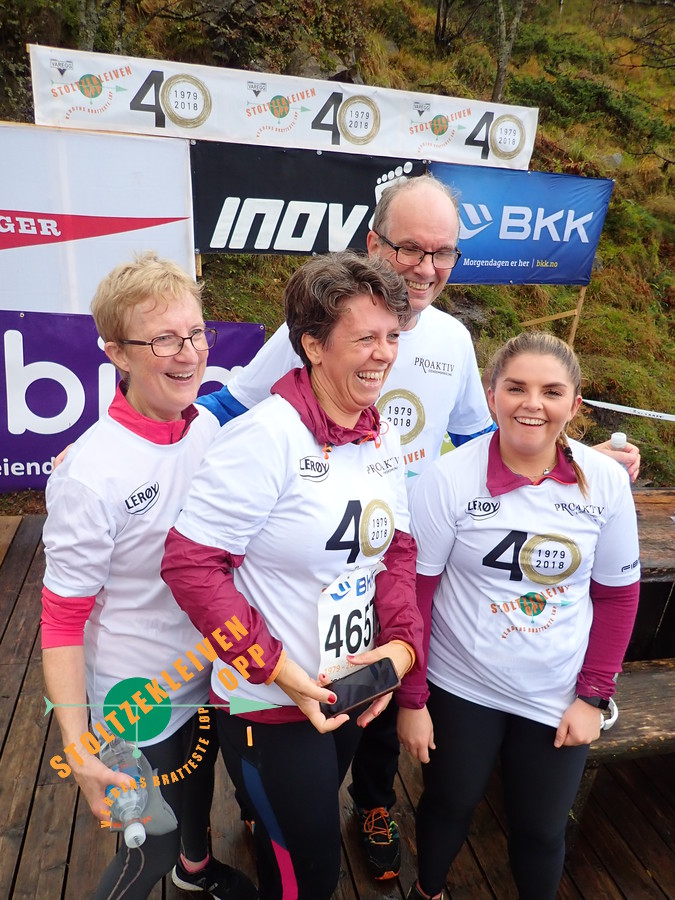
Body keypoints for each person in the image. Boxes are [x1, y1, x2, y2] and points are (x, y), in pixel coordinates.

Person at [195, 173, 642, 881]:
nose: (427, 267)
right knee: (298, 813)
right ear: (374, 243)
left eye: (443, 253)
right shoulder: (315, 330)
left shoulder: (449, 341)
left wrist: (577, 457)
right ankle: (277, 810)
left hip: (396, 550)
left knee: (374, 711)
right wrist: (132, 445)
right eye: (410, 248)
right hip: (294, 579)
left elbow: (484, 435)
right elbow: (230, 408)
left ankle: (371, 806)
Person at [160, 251, 425, 900]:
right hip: (270, 705)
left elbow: (395, 551)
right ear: (312, 344)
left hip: (345, 688)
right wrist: (273, 666)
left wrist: (399, 648)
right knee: (310, 875)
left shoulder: (381, 434)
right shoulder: (265, 437)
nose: (383, 355)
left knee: (303, 844)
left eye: (392, 336)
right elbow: (190, 565)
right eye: (364, 339)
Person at [41, 253, 257, 900]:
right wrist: (77, 745)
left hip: (206, 668)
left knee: (195, 790)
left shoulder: (209, 429)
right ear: (117, 353)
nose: (187, 353)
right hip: (135, 697)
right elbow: (61, 619)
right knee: (149, 843)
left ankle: (196, 870)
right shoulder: (89, 473)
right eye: (162, 339)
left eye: (194, 333)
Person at [400, 331, 641, 900]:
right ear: (491, 396)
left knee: (541, 830)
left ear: (574, 405)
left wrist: (593, 695)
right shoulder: (448, 477)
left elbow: (617, 596)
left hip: (558, 691)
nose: (533, 404)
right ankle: (427, 893)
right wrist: (412, 699)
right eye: (516, 388)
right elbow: (416, 595)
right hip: (461, 684)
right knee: (448, 804)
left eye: (551, 391)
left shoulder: (605, 481)